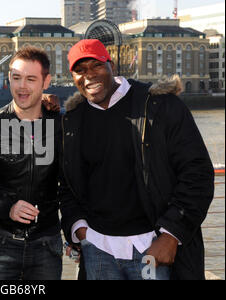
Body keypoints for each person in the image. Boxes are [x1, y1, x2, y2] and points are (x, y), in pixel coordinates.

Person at [59, 39, 214, 280]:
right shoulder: (72, 120)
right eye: (80, 70)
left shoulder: (160, 105)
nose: (88, 75)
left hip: (151, 248)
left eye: (95, 66)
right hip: (98, 250)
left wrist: (171, 235)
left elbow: (197, 174)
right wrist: (79, 229)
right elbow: (68, 184)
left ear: (112, 65)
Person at [0, 47, 63, 280]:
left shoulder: (62, 126)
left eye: (31, 79)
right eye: (16, 78)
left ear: (46, 81)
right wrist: (7, 207)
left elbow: (75, 183)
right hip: (2, 243)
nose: (22, 86)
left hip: (48, 246)